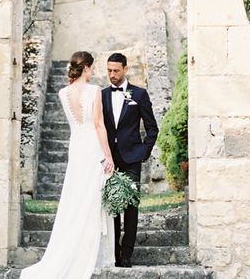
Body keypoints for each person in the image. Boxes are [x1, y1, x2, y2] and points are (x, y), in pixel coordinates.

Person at [21, 51, 115, 278]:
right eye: (91, 68)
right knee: (93, 196)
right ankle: (89, 251)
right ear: (85, 69)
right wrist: (109, 156)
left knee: (76, 197)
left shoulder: (63, 93)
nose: (93, 73)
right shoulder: (94, 91)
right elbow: (99, 126)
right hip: (92, 147)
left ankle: (70, 247)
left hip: (76, 147)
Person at [102, 52, 159, 268]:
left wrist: (143, 152)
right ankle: (114, 253)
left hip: (132, 158)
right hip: (109, 159)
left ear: (126, 69)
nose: (112, 75)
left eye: (116, 71)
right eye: (109, 71)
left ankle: (127, 254)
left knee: (131, 206)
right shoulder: (103, 95)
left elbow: (152, 128)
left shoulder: (139, 94)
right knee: (113, 206)